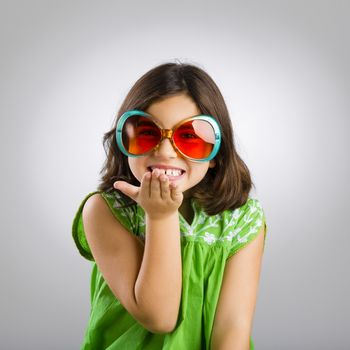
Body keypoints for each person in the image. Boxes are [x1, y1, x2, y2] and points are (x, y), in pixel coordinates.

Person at [72, 61, 268, 349]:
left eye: (189, 137)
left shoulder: (242, 218)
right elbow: (158, 316)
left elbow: (232, 327)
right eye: (147, 132)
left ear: (216, 153)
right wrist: (161, 217)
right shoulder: (105, 211)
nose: (165, 152)